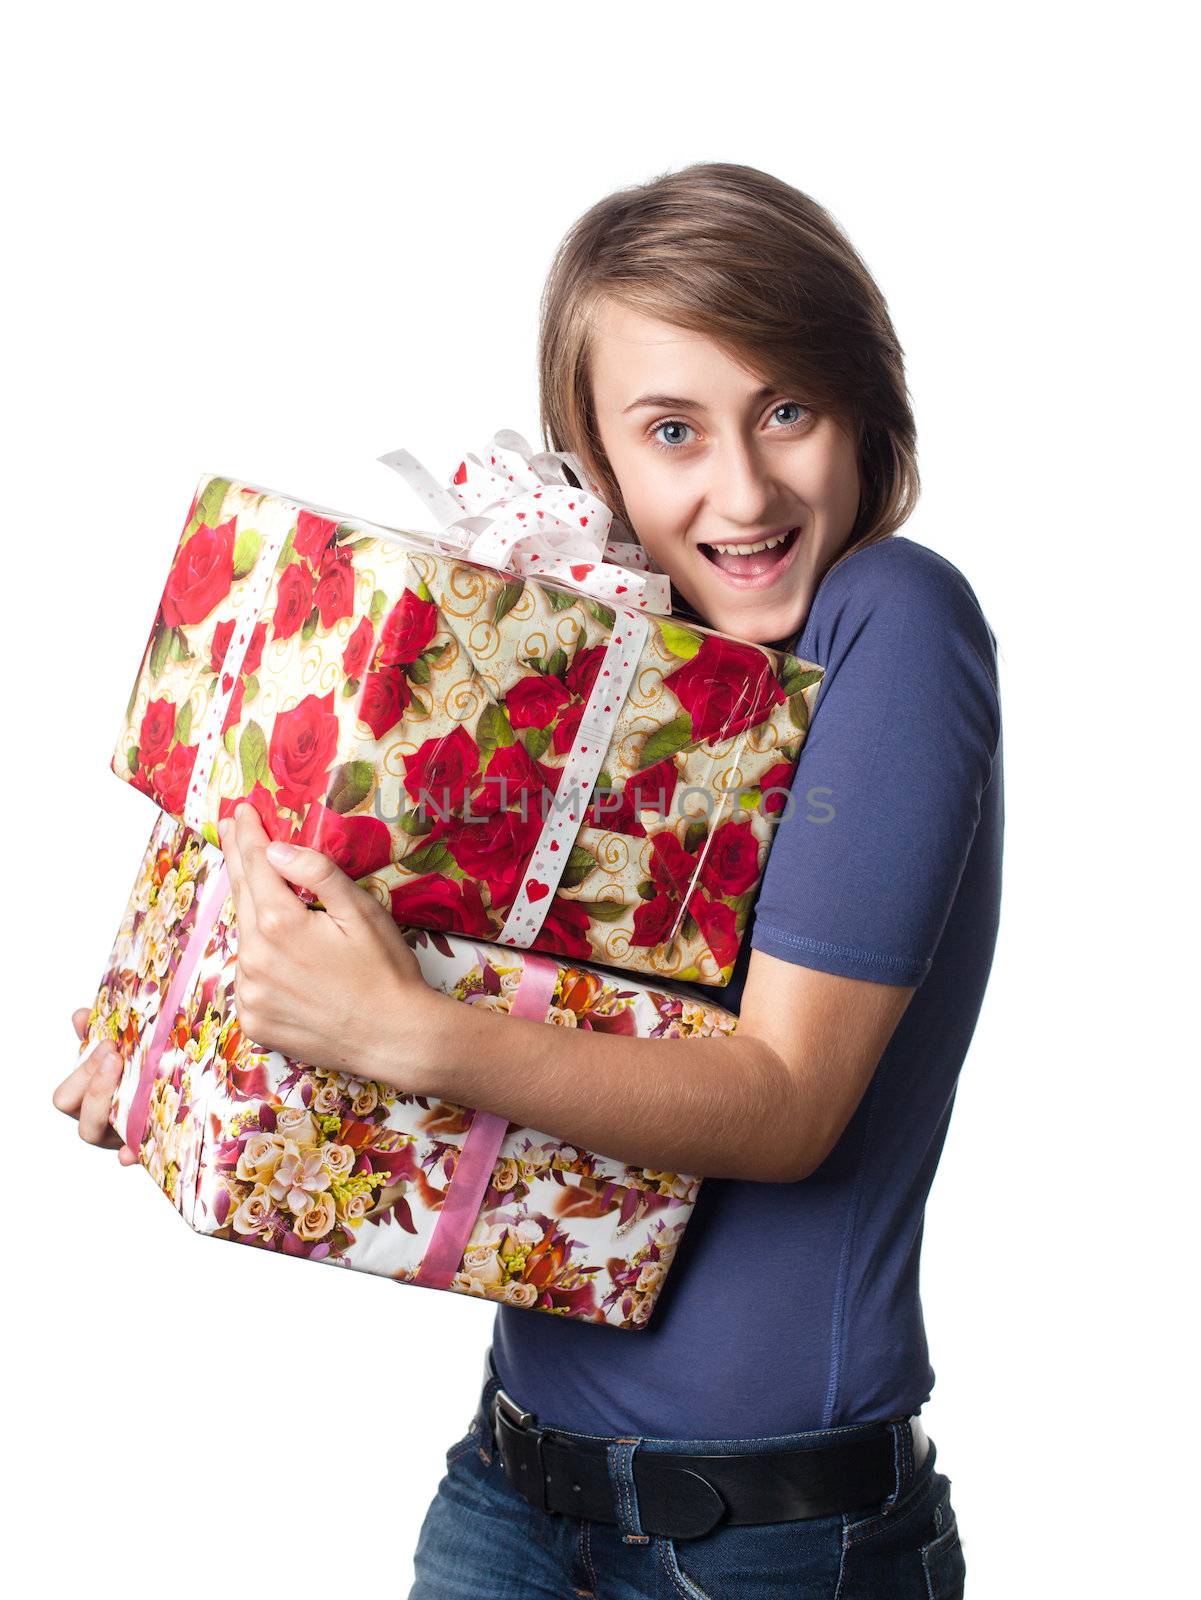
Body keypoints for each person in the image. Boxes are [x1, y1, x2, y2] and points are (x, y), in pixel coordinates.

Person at [55, 163, 1001, 1598]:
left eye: (786, 410)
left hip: (770, 1543)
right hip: (513, 1489)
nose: (742, 490)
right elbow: (494, 1013)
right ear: (596, 457)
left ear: (867, 406)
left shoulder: (892, 615)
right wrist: (192, 1038)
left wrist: (400, 1036)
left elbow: (786, 1103)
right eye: (672, 431)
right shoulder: (623, 677)